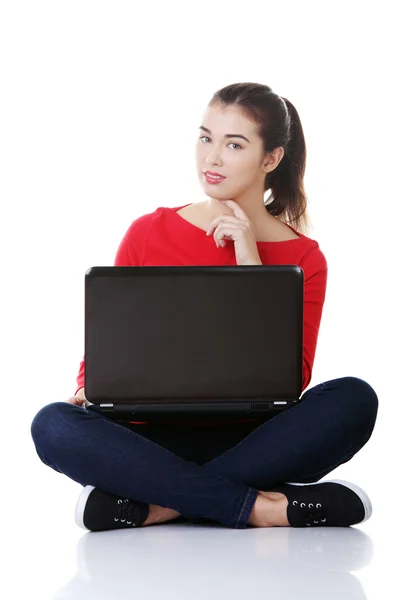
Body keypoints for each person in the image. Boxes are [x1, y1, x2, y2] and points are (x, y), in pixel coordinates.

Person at [30, 82, 378, 532]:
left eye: (234, 144)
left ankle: (159, 506)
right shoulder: (149, 231)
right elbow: (111, 341)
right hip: (150, 437)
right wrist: (87, 384)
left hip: (254, 438)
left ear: (270, 159)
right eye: (205, 137)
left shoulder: (305, 257)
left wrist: (250, 262)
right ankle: (260, 507)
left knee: (354, 398)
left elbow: (294, 377)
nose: (211, 157)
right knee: (54, 424)